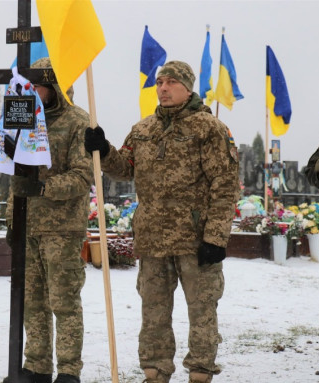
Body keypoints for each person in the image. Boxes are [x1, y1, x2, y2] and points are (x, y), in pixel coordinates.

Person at [84, 61, 240, 383]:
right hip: (153, 239)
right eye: (159, 82)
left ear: (187, 87)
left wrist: (216, 238)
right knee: (153, 313)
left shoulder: (208, 129)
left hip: (195, 240)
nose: (163, 88)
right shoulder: (143, 130)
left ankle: (200, 371)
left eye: (171, 82)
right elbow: (124, 167)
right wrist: (103, 149)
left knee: (202, 311)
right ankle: (155, 372)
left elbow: (225, 186)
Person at [5, 57, 93, 383]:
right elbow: (15, 176)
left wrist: (44, 186)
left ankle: (69, 371)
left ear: (54, 85)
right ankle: (37, 366)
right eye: (29, 84)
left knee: (64, 301)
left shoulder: (78, 121)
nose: (33, 90)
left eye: (38, 84)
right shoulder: (23, 119)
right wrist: (12, 220)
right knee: (33, 302)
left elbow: (83, 177)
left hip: (62, 228)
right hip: (29, 225)